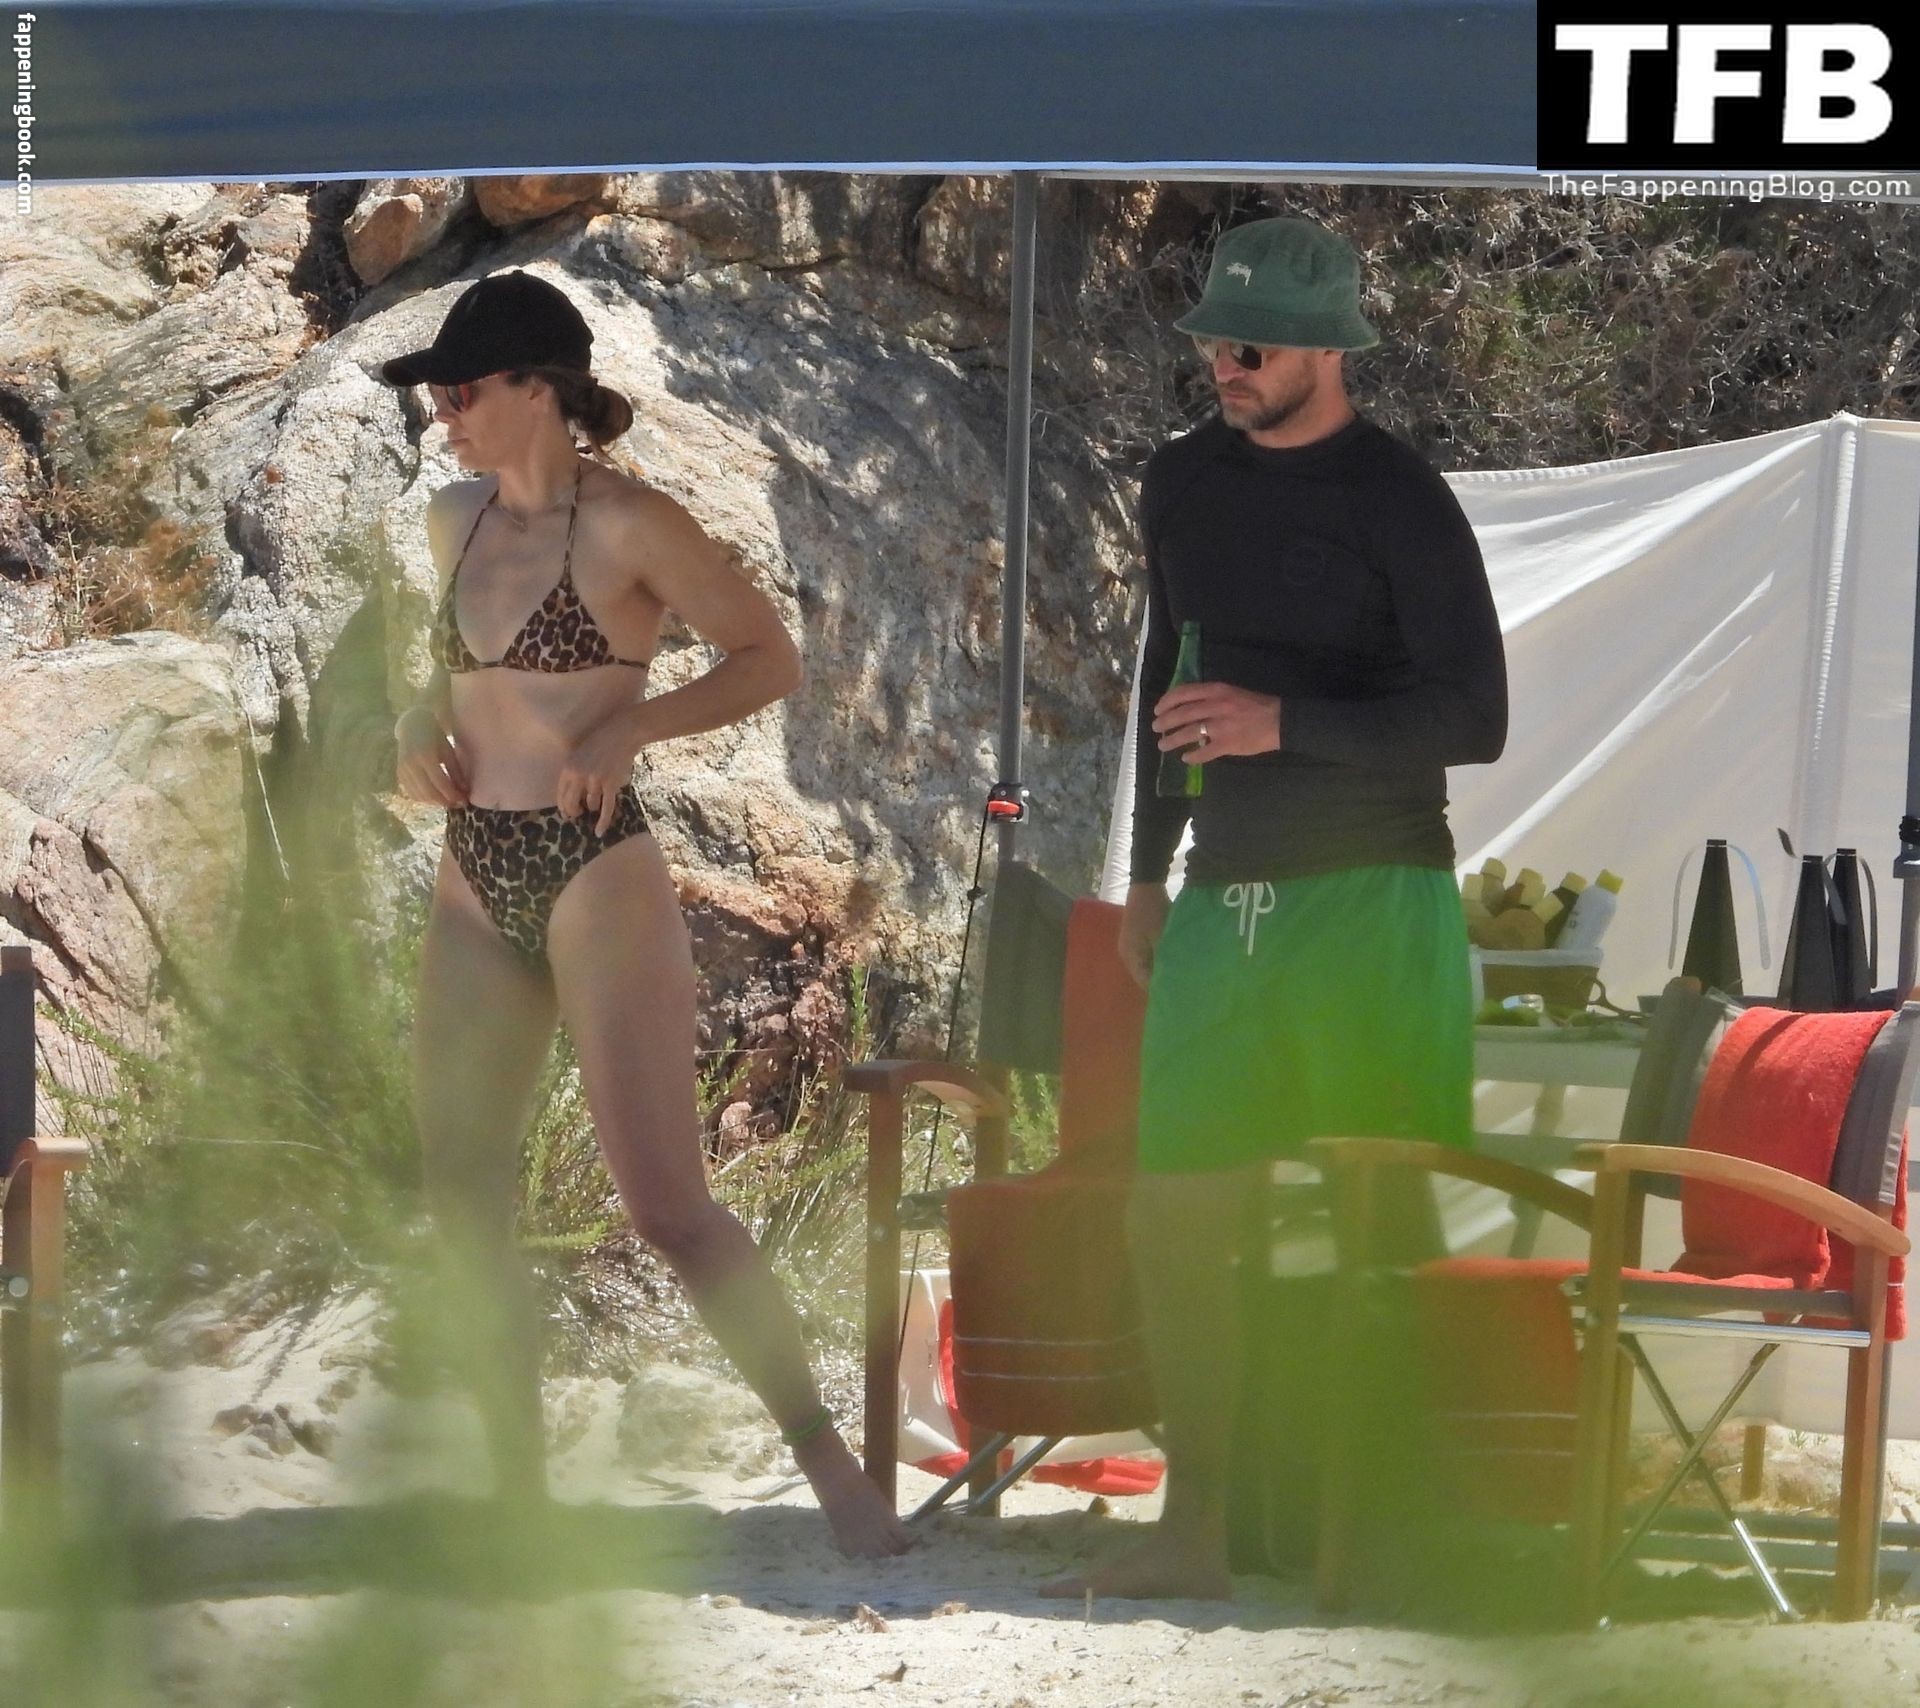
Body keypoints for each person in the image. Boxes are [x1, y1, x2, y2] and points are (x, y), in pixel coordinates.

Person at [379, 268, 910, 1557]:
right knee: (460, 1191)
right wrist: (410, 729)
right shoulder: (453, 519)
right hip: (473, 865)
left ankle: (834, 1473)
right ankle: (517, 1501)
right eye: (439, 393)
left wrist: (634, 726)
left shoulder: (632, 525)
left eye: (462, 388)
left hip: (591, 871)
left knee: (669, 1209)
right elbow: (450, 688)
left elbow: (769, 657)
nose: (444, 411)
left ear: (537, 389)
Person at [1043, 217, 1508, 1600]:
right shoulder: (1182, 480)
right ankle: (1196, 1532)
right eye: (1213, 341)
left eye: (1250, 347)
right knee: (1177, 1215)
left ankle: (1383, 1538)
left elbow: (1475, 718)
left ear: (1326, 352)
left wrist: (1281, 722)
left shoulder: (1401, 497)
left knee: (1380, 1218)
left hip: (1376, 893)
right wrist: (1146, 871)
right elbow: (1169, 681)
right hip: (1218, 898)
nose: (1224, 366)